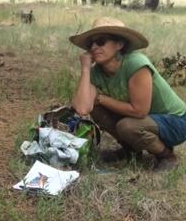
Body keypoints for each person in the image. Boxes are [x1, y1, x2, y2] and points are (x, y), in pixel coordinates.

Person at [71, 17, 186, 171]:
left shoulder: (136, 64)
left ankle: (166, 156)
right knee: (97, 109)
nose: (93, 47)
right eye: (91, 43)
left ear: (120, 44)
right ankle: (131, 150)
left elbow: (139, 111)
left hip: (176, 122)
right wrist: (85, 69)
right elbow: (83, 108)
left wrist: (100, 98)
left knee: (127, 126)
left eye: (101, 41)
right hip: (146, 121)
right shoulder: (96, 72)